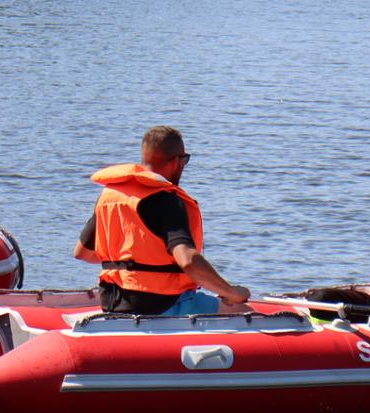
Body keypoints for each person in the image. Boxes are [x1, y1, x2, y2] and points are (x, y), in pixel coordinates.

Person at [72, 126, 250, 315]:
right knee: (246, 313)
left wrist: (129, 260)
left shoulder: (111, 197)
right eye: (185, 160)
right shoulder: (166, 200)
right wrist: (232, 293)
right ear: (175, 161)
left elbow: (83, 253)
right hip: (160, 304)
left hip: (112, 301)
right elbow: (187, 261)